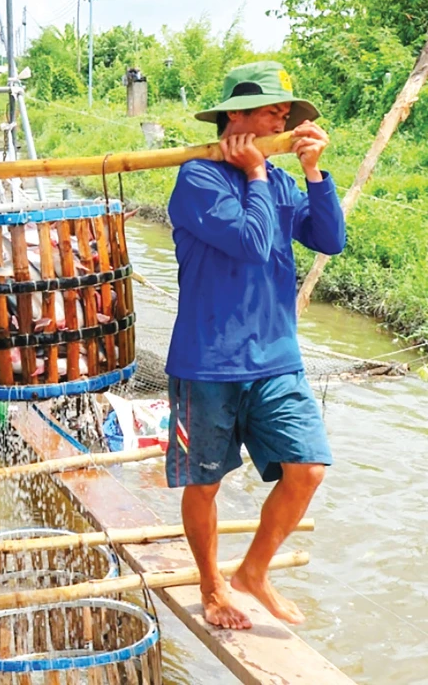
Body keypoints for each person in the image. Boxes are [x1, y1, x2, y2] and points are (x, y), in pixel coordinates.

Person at [165, 61, 347, 630]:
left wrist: (315, 175)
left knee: (309, 469)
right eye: (272, 111)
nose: (284, 120)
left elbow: (330, 240)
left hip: (275, 359)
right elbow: (250, 241)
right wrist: (259, 176)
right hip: (208, 362)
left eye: (286, 114)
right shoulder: (198, 179)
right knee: (205, 481)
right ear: (236, 117)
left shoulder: (285, 181)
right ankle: (211, 582)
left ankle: (253, 572)